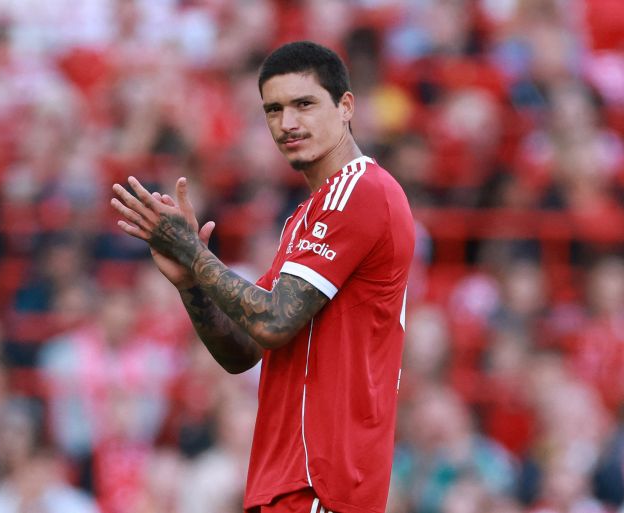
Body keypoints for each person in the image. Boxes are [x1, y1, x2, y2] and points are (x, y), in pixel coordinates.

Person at [111, 40, 415, 513]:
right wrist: (189, 282)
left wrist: (194, 254)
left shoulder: (361, 191)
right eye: (273, 109)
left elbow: (272, 322)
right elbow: (243, 351)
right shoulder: (306, 217)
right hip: (286, 483)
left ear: (347, 106)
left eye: (304, 104)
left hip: (322, 484)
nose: (287, 123)